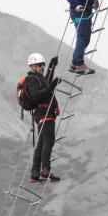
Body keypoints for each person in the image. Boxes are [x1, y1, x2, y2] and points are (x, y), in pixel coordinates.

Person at [26, 53, 62, 183]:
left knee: (41, 144)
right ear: (32, 66)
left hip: (44, 112)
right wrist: (52, 86)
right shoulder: (32, 80)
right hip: (44, 112)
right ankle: (45, 169)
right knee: (49, 140)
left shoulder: (38, 78)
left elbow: (46, 83)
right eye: (40, 65)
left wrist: (52, 66)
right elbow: (36, 96)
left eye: (43, 65)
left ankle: (35, 174)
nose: (42, 67)